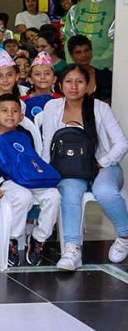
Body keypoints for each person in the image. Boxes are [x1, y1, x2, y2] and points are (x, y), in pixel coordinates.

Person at [39, 64, 128, 270]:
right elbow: (47, 145)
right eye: (69, 81)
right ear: (60, 84)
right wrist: (47, 174)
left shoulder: (100, 108)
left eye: (79, 81)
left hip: (104, 167)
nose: (74, 87)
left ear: (88, 85)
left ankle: (124, 235)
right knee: (69, 191)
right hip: (70, 171)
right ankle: (72, 250)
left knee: (104, 190)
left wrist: (101, 163)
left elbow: (122, 143)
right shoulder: (52, 108)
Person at [0, 93, 61, 267]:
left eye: (14, 111)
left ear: (21, 116)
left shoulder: (25, 134)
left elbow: (30, 160)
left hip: (28, 178)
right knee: (23, 196)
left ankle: (38, 238)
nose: (10, 114)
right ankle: (12, 239)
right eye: (4, 111)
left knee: (53, 195)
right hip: (5, 181)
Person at [63, 0, 115, 70]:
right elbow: (68, 38)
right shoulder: (76, 9)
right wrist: (73, 64)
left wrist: (97, 63)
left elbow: (117, 41)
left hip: (107, 70)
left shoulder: (117, 8)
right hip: (77, 69)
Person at [65, 35, 112, 101]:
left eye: (86, 50)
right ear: (71, 56)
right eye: (78, 52)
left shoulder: (105, 76)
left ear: (91, 51)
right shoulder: (65, 77)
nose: (84, 55)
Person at [21, 51, 60, 120]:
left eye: (47, 73)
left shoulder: (61, 100)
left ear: (54, 79)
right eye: (37, 74)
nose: (42, 77)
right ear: (30, 80)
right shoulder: (22, 102)